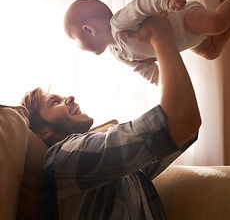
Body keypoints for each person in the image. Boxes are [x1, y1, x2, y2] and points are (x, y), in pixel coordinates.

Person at [21, 13, 201, 219]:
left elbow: (185, 127)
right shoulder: (67, 155)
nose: (69, 97)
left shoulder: (108, 161)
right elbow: (181, 120)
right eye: (55, 102)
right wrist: (161, 38)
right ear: (42, 132)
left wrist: (154, 64)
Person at [64, 0, 230, 84]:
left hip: (183, 18)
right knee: (211, 52)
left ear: (89, 30)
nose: (77, 47)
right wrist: (164, 82)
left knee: (215, 24)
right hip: (186, 41)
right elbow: (145, 69)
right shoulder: (119, 55)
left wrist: (167, 0)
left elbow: (141, 5)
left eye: (75, 41)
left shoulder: (119, 23)